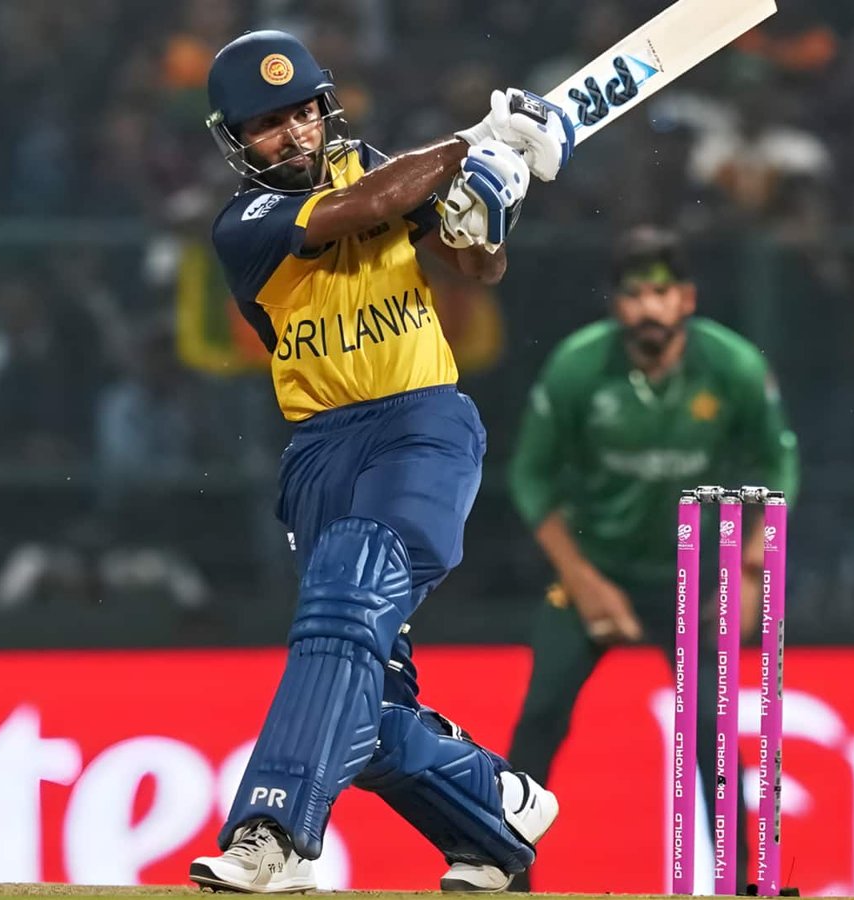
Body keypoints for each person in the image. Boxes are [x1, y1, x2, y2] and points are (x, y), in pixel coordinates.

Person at [188, 30, 575, 894]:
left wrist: (492, 199)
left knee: (346, 606)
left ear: (326, 107)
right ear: (236, 140)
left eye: (302, 112)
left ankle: (271, 833)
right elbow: (360, 209)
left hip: (420, 427)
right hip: (322, 451)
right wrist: (474, 141)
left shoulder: (387, 171)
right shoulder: (243, 224)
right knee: (359, 690)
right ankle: (494, 811)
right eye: (267, 125)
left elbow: (479, 264)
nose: (293, 134)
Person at [503, 226, 799, 891]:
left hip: (695, 578)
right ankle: (503, 872)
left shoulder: (732, 367)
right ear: (617, 304)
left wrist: (751, 570)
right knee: (541, 714)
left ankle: (740, 884)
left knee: (713, 732)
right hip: (596, 569)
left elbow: (779, 461)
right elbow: (529, 476)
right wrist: (581, 579)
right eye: (635, 294)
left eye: (662, 293)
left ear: (687, 299)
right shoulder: (578, 367)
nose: (649, 308)